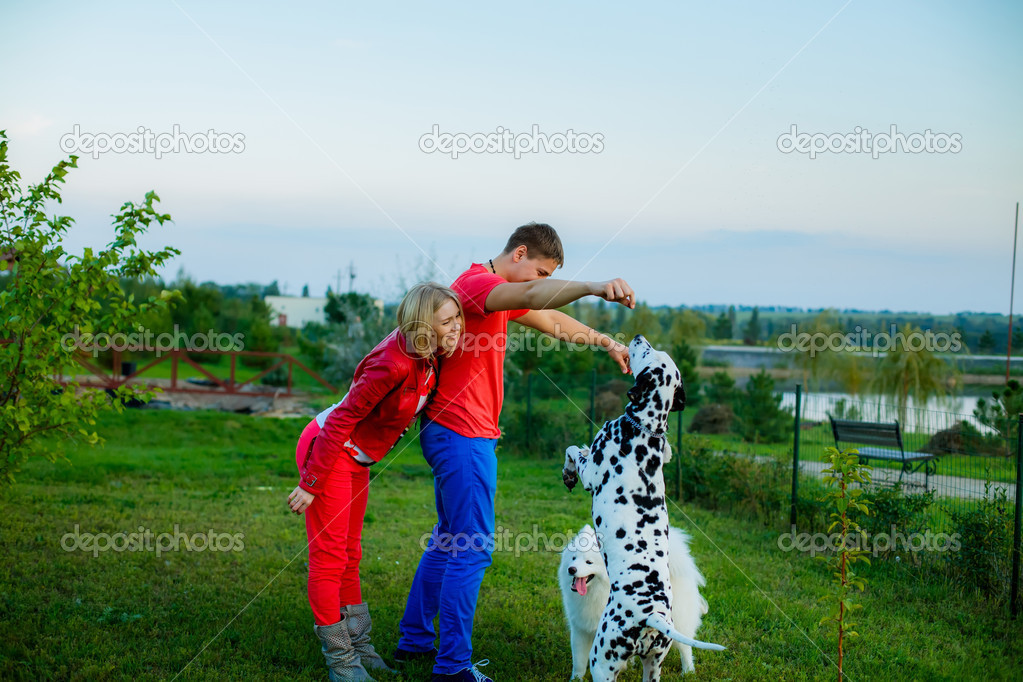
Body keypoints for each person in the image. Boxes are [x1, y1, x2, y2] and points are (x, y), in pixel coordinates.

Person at [395, 223, 635, 682]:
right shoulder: (476, 287)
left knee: (450, 539)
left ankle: (416, 640)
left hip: (457, 433)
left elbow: (554, 321)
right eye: (538, 271)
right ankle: (452, 668)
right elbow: (543, 297)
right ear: (519, 253)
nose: (537, 281)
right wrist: (592, 287)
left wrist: (608, 343)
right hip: (462, 435)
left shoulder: (500, 291)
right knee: (472, 548)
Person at [288, 281, 464, 682]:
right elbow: (341, 419)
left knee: (352, 554)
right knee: (329, 558)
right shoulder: (395, 362)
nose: (456, 327)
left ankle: (361, 646)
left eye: (458, 317)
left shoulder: (428, 354)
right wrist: (311, 481)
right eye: (447, 321)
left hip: (357, 458)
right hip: (329, 450)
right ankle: (340, 660)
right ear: (424, 325)